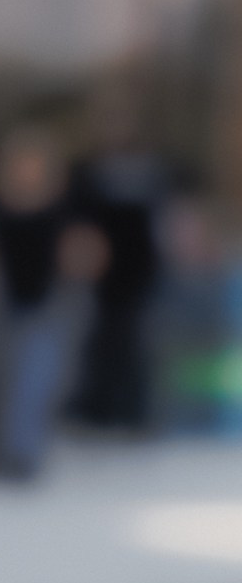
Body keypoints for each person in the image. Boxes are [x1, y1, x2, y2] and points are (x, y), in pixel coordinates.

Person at [0, 124, 78, 480]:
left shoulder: (60, 207)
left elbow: (74, 253)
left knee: (36, 378)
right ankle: (6, 449)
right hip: (8, 301)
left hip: (45, 302)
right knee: (6, 379)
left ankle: (26, 450)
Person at [67, 93, 169, 434]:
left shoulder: (150, 169)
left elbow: (164, 220)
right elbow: (77, 220)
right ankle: (99, 410)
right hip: (100, 270)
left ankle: (132, 412)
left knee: (134, 341)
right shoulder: (87, 171)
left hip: (139, 270)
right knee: (99, 341)